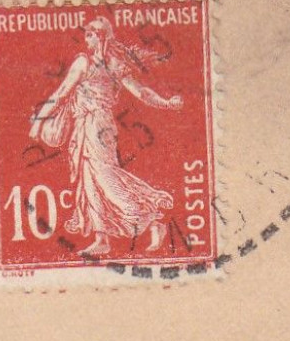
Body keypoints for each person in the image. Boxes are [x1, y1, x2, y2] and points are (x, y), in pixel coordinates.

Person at [30, 15, 184, 258]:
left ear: (98, 37)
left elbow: (62, 93)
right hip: (89, 126)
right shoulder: (107, 62)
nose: (87, 39)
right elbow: (140, 92)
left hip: (96, 125)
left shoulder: (91, 63)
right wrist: (166, 103)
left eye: (90, 35)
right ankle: (101, 238)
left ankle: (151, 220)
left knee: (104, 177)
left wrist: (39, 121)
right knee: (89, 179)